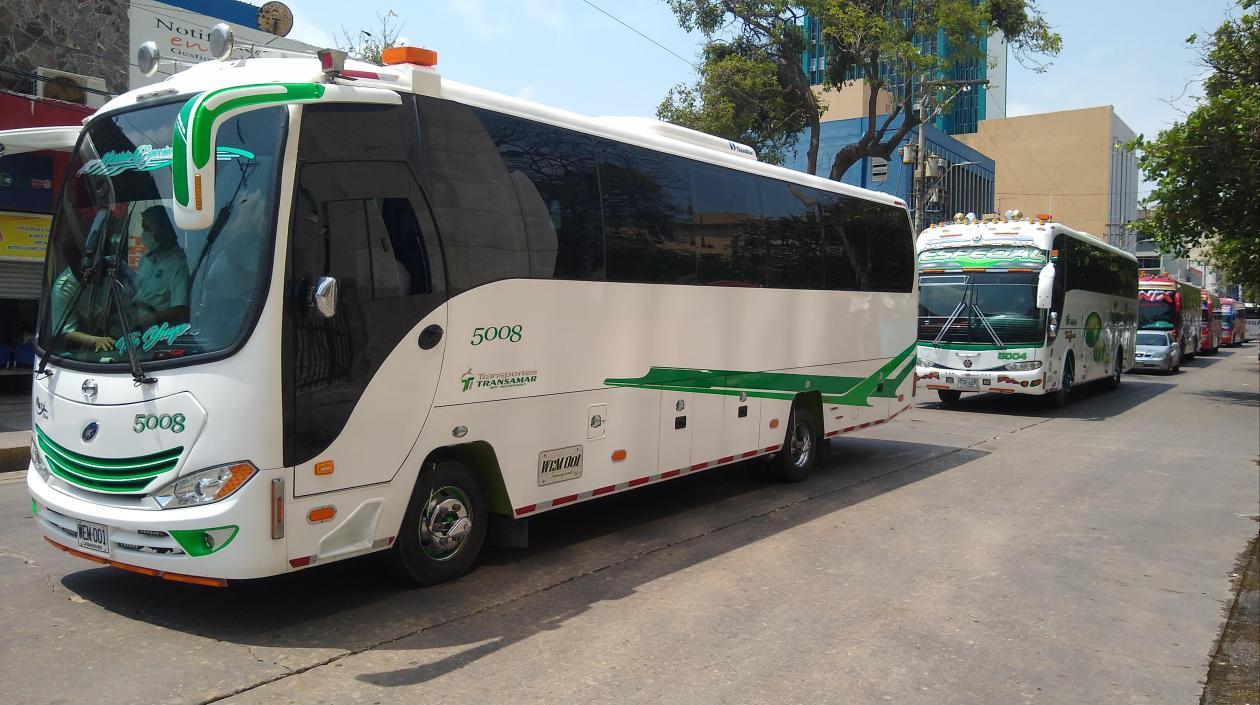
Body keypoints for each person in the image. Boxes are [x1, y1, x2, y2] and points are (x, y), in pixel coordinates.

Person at [130, 205, 190, 330]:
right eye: (143, 228)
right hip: (132, 328)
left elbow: (181, 311)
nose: (144, 233)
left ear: (166, 230)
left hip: (157, 334)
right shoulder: (145, 259)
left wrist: (153, 318)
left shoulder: (179, 265)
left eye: (148, 228)